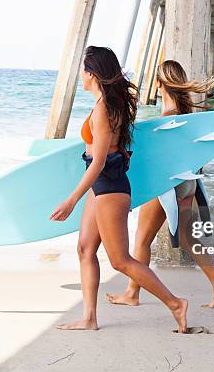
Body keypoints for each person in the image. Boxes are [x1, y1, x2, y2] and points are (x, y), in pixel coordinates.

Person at [50, 47, 188, 332]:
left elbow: (99, 161)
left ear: (92, 73)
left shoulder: (103, 109)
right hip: (102, 186)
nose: (80, 75)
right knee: (85, 248)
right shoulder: (105, 103)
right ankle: (89, 318)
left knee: (120, 260)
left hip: (110, 188)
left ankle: (176, 303)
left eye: (82, 70)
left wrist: (71, 200)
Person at [106, 60, 214, 309]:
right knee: (187, 238)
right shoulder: (187, 117)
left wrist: (135, 191)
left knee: (142, 241)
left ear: (159, 84)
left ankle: (132, 294)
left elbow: (156, 164)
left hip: (165, 186)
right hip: (187, 184)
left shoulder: (166, 118)